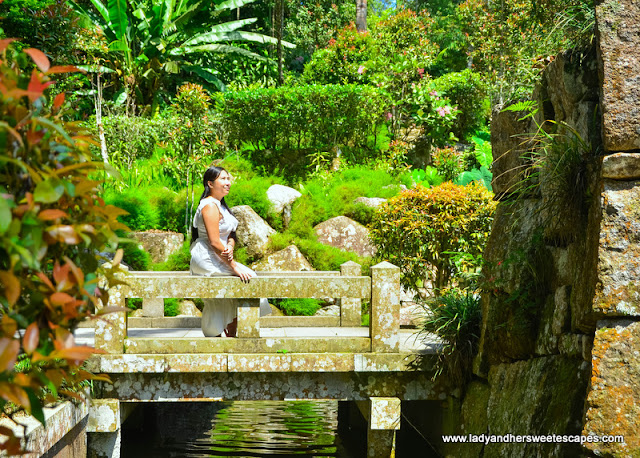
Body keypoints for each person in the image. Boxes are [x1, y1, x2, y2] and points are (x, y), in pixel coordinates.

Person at [190, 166, 269, 337]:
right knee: (245, 281)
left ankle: (231, 335)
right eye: (223, 179)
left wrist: (231, 246)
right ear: (210, 183)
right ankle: (219, 335)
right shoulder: (209, 206)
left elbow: (231, 233)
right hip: (207, 256)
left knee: (238, 290)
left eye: (228, 179)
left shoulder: (221, 205)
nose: (228, 183)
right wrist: (234, 266)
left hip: (220, 254)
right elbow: (214, 241)